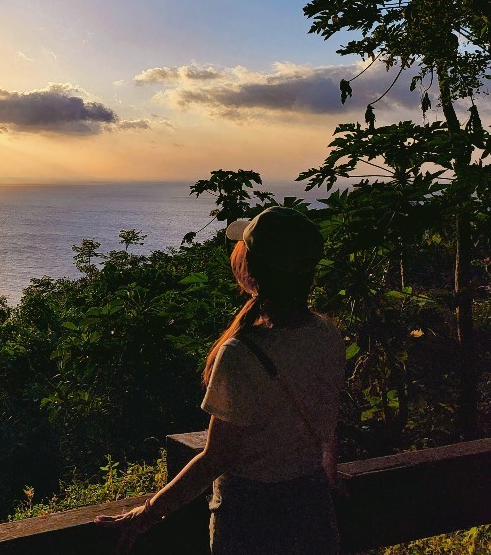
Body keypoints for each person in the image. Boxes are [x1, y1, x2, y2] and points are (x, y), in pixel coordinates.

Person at [96, 206, 346, 555]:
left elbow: (216, 458)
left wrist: (146, 514)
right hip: (311, 507)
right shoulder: (327, 335)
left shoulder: (241, 354)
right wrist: (327, 476)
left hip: (251, 518)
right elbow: (327, 426)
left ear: (252, 271)